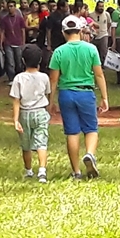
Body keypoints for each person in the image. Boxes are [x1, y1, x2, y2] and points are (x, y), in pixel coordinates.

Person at [49, 18, 108, 180]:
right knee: (91, 129)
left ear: (63, 32)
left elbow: (53, 80)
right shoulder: (91, 49)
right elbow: (99, 74)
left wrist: (51, 101)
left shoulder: (59, 52)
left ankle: (76, 172)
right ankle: (89, 154)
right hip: (86, 93)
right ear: (81, 30)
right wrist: (104, 97)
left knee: (72, 132)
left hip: (66, 94)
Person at [11, 44, 51, 183]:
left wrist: (15, 120)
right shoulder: (44, 77)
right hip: (40, 112)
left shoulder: (18, 78)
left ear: (23, 60)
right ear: (40, 61)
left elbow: (16, 100)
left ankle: (29, 171)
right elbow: (48, 94)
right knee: (42, 142)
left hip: (24, 114)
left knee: (26, 144)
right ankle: (42, 171)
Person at [0, 0, 27, 83]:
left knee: (19, 61)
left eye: (12, 6)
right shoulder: (5, 19)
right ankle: (11, 78)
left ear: (15, 7)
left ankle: (19, 77)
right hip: (8, 43)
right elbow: (2, 32)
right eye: (9, 6)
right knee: (10, 61)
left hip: (18, 42)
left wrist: (23, 42)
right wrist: (1, 43)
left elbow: (23, 30)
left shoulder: (19, 18)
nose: (10, 8)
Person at [91, 1, 112, 66]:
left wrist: (105, 30)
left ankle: (103, 65)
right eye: (100, 6)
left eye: (102, 6)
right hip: (94, 36)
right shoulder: (91, 15)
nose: (101, 8)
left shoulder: (107, 14)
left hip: (104, 35)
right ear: (96, 6)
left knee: (104, 52)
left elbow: (109, 23)